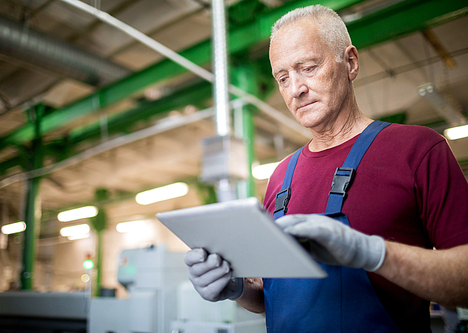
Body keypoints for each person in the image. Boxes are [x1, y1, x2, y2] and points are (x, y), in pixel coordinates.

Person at [184, 5, 468, 332]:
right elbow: (273, 296)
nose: (295, 89)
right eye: (282, 77)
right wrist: (236, 289)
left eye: (307, 67)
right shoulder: (280, 176)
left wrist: (374, 254)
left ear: (350, 62)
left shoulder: (417, 149)